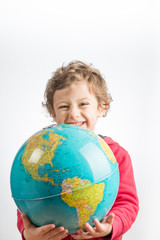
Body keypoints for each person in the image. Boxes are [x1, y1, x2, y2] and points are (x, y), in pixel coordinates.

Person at [17, 61, 139, 240]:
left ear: (101, 106)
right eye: (64, 106)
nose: (73, 114)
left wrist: (111, 227)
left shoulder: (115, 155)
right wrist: (28, 234)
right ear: (52, 112)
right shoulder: (40, 154)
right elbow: (26, 199)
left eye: (83, 104)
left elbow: (127, 203)